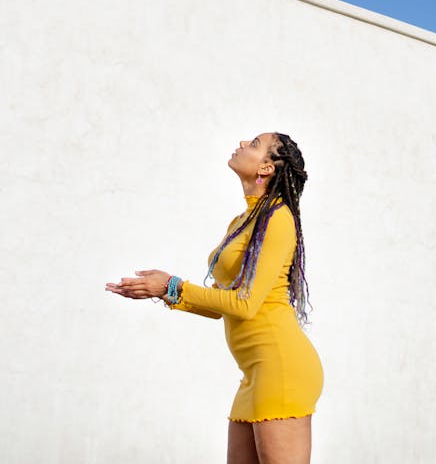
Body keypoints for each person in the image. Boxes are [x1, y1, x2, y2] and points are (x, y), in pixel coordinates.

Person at [105, 132, 324, 464]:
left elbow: (245, 305)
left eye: (253, 144)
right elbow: (221, 305)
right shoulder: (243, 221)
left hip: (281, 368)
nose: (242, 143)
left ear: (266, 167)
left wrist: (171, 286)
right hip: (255, 374)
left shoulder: (278, 218)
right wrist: (165, 290)